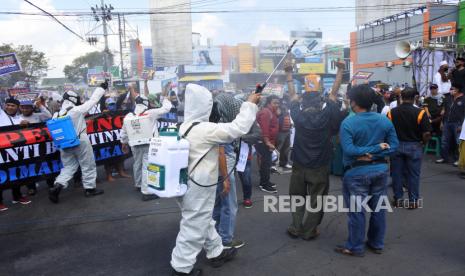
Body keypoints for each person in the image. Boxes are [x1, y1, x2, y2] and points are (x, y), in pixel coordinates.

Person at [170, 84, 260, 276]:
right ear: (205, 105)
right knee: (193, 226)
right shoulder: (204, 129)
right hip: (198, 188)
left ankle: (216, 252)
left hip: (185, 184)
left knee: (204, 220)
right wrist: (250, 104)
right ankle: (181, 268)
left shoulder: (184, 126)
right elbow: (238, 128)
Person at [286, 59, 346, 240]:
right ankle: (309, 230)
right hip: (319, 164)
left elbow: (292, 96)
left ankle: (296, 227)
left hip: (299, 163)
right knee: (317, 198)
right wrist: (340, 70)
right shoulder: (327, 115)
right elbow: (334, 94)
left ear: (303, 101)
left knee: (297, 197)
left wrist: (289, 74)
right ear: (321, 101)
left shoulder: (297, 114)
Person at [337, 84, 398, 256]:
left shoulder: (348, 123)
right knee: (378, 208)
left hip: (356, 172)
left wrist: (367, 151)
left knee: (357, 212)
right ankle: (376, 243)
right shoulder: (384, 120)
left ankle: (355, 247)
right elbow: (394, 147)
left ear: (354, 102)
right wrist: (378, 149)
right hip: (380, 170)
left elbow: (349, 150)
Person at [48, 83, 108, 204]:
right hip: (80, 141)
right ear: (74, 100)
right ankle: (90, 189)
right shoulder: (76, 110)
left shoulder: (56, 114)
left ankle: (57, 185)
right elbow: (93, 100)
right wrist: (101, 88)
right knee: (88, 165)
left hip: (64, 144)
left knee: (69, 167)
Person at [120, 92, 172, 201]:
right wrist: (165, 99)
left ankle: (139, 184)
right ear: (146, 103)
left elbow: (124, 132)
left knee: (137, 163)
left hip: (134, 144)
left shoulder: (129, 116)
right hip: (149, 144)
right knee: (147, 166)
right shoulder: (150, 113)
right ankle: (146, 192)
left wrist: (123, 143)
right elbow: (166, 108)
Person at [388, 88, 432, 209]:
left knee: (396, 174)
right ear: (415, 98)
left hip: (396, 145)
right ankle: (413, 201)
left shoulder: (392, 112)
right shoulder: (421, 112)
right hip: (414, 145)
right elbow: (427, 133)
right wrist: (423, 142)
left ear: (401, 97)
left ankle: (398, 200)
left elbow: (387, 129)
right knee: (414, 175)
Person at [212, 92, 245, 250]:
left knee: (218, 204)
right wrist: (225, 178)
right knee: (229, 205)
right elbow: (221, 153)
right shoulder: (222, 129)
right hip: (224, 170)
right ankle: (225, 240)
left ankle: (215, 236)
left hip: (216, 171)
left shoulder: (215, 123)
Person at [0, 98, 31, 211]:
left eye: (12, 105)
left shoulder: (20, 118)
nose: (9, 107)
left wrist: (26, 125)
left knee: (16, 174)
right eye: (7, 105)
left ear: (17, 107)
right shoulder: (1, 115)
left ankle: (17, 196)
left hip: (16, 153)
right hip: (1, 153)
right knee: (1, 175)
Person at [18, 98, 52, 195]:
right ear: (20, 108)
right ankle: (31, 187)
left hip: (41, 147)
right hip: (27, 148)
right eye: (23, 108)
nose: (25, 110)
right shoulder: (18, 118)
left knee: (46, 164)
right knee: (29, 167)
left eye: (27, 108)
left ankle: (51, 183)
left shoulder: (38, 116)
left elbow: (49, 116)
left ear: (32, 108)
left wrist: (40, 106)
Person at [255, 95, 280, 193]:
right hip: (264, 142)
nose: (277, 105)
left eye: (278, 103)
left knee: (267, 163)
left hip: (268, 142)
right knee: (265, 164)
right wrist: (268, 142)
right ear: (269, 103)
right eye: (275, 103)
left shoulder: (271, 111)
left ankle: (266, 181)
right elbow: (264, 129)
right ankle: (264, 184)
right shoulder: (266, 112)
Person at [436, 85, 465, 164]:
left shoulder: (463, 99)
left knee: (458, 142)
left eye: (452, 89)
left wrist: (462, 125)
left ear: (458, 90)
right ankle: (443, 157)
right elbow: (444, 111)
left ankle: (458, 160)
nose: (451, 90)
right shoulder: (448, 98)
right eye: (451, 89)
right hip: (446, 122)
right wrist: (442, 122)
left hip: (458, 123)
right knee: (444, 141)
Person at [276, 99, 292, 169]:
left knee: (286, 148)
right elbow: (277, 115)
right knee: (278, 148)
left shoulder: (286, 109)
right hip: (280, 131)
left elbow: (289, 117)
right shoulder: (278, 107)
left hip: (287, 130)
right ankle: (275, 163)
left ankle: (284, 163)